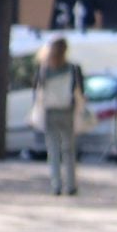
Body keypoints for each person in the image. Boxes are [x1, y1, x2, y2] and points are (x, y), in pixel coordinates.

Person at [35, 36, 85, 196]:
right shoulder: (72, 68)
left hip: (50, 110)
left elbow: (37, 90)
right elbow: (80, 90)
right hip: (67, 110)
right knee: (69, 150)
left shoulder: (44, 69)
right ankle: (71, 185)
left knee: (53, 149)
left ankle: (56, 185)